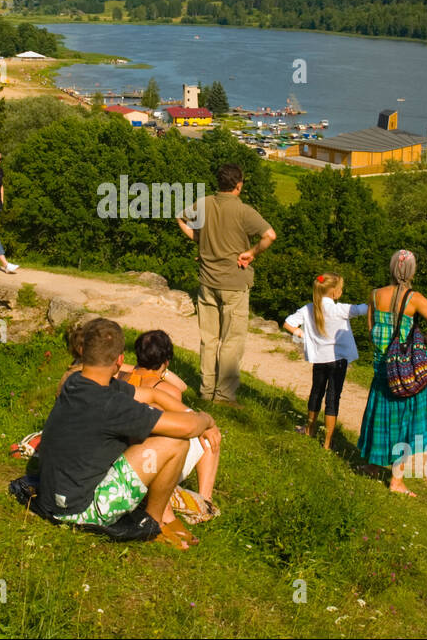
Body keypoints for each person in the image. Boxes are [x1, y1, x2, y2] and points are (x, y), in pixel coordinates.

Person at [37, 318, 219, 551]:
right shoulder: (111, 404)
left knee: (151, 436)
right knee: (175, 442)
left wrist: (192, 416)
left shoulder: (78, 381)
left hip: (52, 497)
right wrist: (207, 420)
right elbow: (187, 429)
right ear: (121, 360)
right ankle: (152, 523)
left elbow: (152, 396)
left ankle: (163, 516)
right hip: (78, 511)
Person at [177, 163, 276, 406]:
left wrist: (199, 241)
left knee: (208, 339)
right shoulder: (244, 211)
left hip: (207, 282)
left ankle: (206, 390)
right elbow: (269, 235)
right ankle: (224, 396)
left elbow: (180, 216)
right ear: (239, 185)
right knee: (232, 340)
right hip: (234, 282)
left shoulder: (204, 204)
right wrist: (251, 253)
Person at [358, 250, 427, 497]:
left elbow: (370, 329)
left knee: (380, 416)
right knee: (405, 423)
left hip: (382, 367)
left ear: (391, 268)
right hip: (407, 371)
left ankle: (373, 465)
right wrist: (425, 340)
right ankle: (396, 481)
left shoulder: (375, 295)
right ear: (412, 271)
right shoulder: (415, 298)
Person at [117, 329, 220, 510]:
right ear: (166, 361)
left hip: (121, 456)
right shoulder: (167, 391)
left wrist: (141, 367)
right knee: (209, 440)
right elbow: (178, 427)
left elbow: (182, 385)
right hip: (150, 460)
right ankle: (205, 501)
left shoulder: (120, 377)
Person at [284, 273, 369, 449]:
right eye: (340, 288)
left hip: (319, 359)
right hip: (338, 360)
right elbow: (364, 309)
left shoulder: (308, 309)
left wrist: (303, 336)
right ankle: (328, 442)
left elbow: (288, 323)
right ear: (334, 292)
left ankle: (310, 429)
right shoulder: (340, 309)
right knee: (333, 398)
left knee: (316, 392)